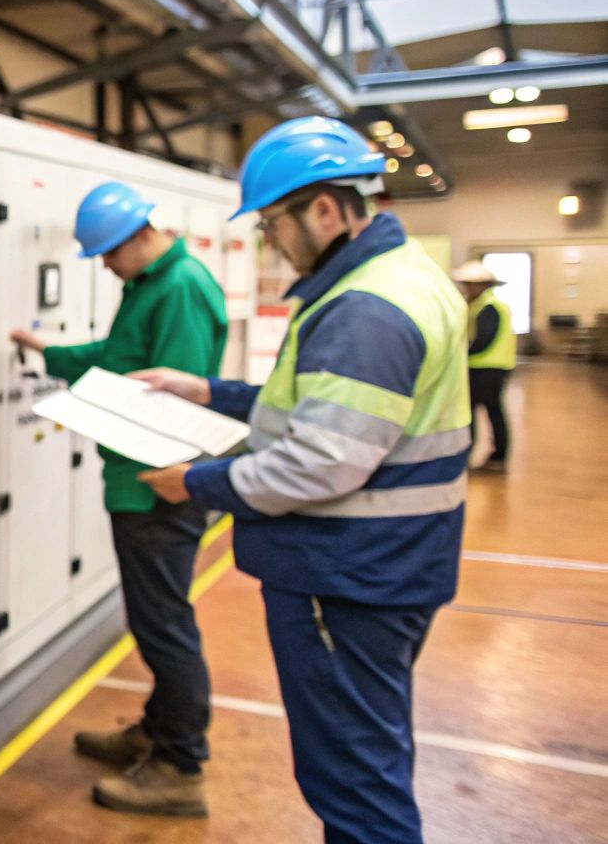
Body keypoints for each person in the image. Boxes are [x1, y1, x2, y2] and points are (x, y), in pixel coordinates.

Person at [134, 116, 469, 844]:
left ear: (322, 210)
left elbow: (321, 460)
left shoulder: (366, 308)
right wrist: (207, 391)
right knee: (368, 755)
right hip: (387, 564)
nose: (270, 243)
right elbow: (321, 414)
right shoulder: (402, 277)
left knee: (351, 780)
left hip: (347, 575)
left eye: (271, 224)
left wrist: (196, 484)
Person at [9, 180, 227, 818]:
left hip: (159, 487)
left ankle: (180, 767)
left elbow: (174, 401)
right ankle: (158, 731)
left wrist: (160, 463)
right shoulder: (149, 284)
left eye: (108, 253)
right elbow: (115, 357)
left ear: (139, 237)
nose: (104, 265)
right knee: (154, 619)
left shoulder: (180, 286)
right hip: (135, 482)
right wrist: (46, 351)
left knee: (164, 627)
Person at [453, 261, 515, 473]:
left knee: (480, 412)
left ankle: (490, 456)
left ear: (482, 286)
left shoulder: (489, 308)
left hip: (486, 369)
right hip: (489, 368)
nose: (466, 290)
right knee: (490, 411)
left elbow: (483, 340)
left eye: (469, 285)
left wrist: (459, 354)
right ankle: (494, 456)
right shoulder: (482, 306)